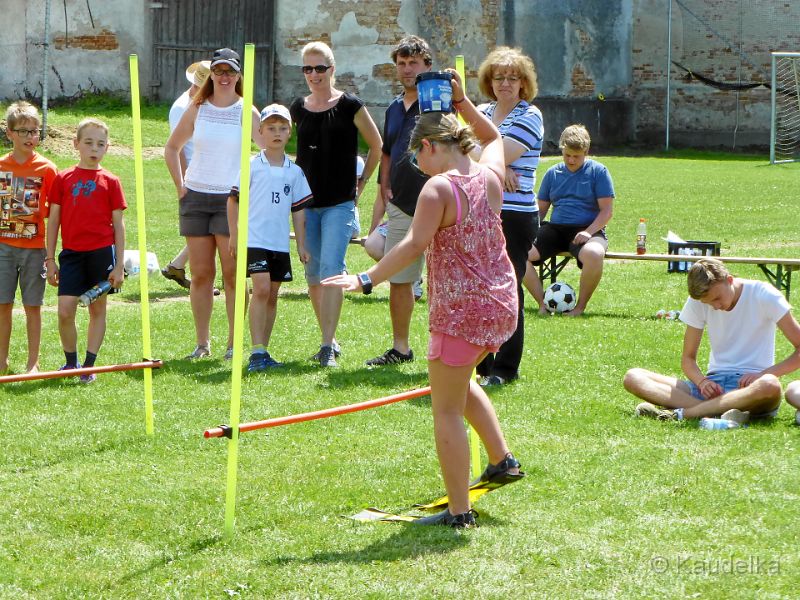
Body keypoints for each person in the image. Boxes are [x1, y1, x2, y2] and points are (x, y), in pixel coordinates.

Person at [323, 71, 523, 528]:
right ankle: (501, 460)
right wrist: (464, 101)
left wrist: (366, 278)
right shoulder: (490, 175)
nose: (416, 164)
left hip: (460, 310)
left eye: (416, 155)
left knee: (445, 408)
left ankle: (458, 512)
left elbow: (413, 244)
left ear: (431, 147)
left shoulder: (439, 188)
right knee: (461, 380)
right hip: (500, 305)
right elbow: (494, 136)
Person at [165, 48, 265, 360]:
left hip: (230, 201)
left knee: (233, 274)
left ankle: (234, 344)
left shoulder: (247, 112)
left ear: (239, 75)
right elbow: (171, 148)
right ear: (211, 75)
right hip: (196, 197)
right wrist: (181, 187)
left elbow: (268, 153)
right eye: (218, 71)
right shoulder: (197, 108)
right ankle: (202, 343)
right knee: (201, 274)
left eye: (230, 71)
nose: (224, 77)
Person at [290, 41, 382, 367]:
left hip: (339, 203)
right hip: (306, 204)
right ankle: (327, 338)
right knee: (313, 272)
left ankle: (327, 345)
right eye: (307, 68)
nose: (313, 75)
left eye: (320, 68)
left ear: (332, 69)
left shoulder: (350, 105)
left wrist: (362, 182)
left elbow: (376, 144)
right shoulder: (298, 108)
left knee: (331, 269)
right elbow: (277, 140)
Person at [623, 258, 800, 424]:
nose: (715, 307)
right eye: (708, 303)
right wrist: (702, 382)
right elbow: (688, 359)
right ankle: (715, 413)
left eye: (717, 299)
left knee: (770, 385)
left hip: (752, 389)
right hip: (712, 386)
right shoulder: (699, 300)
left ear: (729, 280)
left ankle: (684, 413)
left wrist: (763, 374)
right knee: (633, 377)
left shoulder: (764, 294)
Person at [475, 47, 544, 386]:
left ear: (523, 83)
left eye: (512, 77)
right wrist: (495, 162)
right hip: (481, 211)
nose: (504, 83)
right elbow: (453, 144)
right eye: (498, 77)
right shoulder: (481, 111)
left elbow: (492, 151)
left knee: (506, 289)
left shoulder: (530, 115)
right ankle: (481, 364)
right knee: (479, 288)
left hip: (515, 216)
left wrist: (487, 156)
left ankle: (505, 368)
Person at [364, 35, 433, 367]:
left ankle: (449, 350)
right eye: (402, 64)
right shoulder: (393, 107)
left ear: (427, 66)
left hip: (441, 207)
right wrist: (385, 184)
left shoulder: (437, 104)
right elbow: (387, 152)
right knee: (400, 279)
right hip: (402, 205)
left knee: (447, 279)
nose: (407, 70)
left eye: (414, 63)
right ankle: (401, 348)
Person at [227, 104, 312, 371]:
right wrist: (234, 235)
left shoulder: (294, 171)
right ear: (261, 132)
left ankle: (264, 349)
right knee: (261, 289)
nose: (277, 133)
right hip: (254, 240)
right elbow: (233, 201)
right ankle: (255, 352)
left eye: (282, 128)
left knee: (273, 294)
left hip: (278, 243)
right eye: (271, 128)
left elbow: (298, 210)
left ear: (290, 133)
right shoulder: (252, 166)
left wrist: (300, 244)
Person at [45, 118, 126, 383]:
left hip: (101, 253)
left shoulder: (111, 181)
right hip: (71, 254)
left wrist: (118, 264)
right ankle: (71, 363)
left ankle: (88, 367)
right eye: (89, 142)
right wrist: (50, 259)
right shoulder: (63, 179)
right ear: (76, 144)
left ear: (107, 148)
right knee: (65, 311)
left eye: (100, 144)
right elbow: (54, 221)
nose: (94, 148)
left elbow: (119, 225)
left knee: (97, 310)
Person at [525, 124, 614, 317]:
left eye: (577, 156)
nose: (571, 160)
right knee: (519, 251)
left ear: (586, 152)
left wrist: (588, 232)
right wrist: (528, 232)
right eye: (567, 155)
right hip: (555, 229)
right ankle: (543, 304)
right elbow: (539, 211)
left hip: (588, 229)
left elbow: (607, 211)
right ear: (562, 150)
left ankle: (579, 308)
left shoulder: (599, 172)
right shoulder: (552, 173)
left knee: (594, 254)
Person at [0, 101, 58, 374]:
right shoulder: (2, 166)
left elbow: (54, 216)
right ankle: (2, 360)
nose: (30, 137)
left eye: (35, 131)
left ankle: (33, 363)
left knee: (32, 306)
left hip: (35, 249)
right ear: (9, 133)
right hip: (4, 247)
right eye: (23, 132)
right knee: (3, 305)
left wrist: (50, 255)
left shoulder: (47, 169)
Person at [161, 60, 211, 291]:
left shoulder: (202, 103)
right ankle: (200, 279)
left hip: (208, 173)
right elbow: (176, 148)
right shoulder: (182, 108)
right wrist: (181, 185)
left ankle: (179, 266)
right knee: (209, 231)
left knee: (211, 229)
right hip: (195, 176)